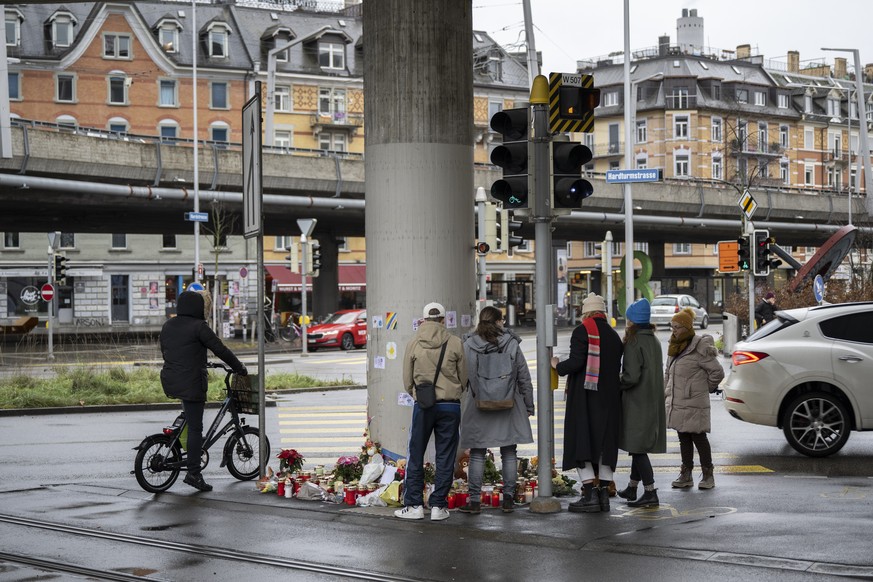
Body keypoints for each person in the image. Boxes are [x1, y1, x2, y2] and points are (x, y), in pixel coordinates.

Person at [159, 290, 248, 492]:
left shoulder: (169, 325)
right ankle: (193, 473)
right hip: (191, 382)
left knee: (189, 419)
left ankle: (180, 445)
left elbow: (171, 350)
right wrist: (239, 367)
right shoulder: (199, 327)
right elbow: (220, 349)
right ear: (198, 307)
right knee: (196, 429)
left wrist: (197, 360)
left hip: (171, 379)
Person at [550, 293, 623, 513]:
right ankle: (603, 497)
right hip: (610, 399)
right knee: (604, 446)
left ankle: (589, 494)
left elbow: (576, 362)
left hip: (586, 399)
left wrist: (556, 365)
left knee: (582, 442)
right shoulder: (613, 334)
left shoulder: (582, 331)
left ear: (586, 313)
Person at [458, 306, 534, 515]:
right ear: (499, 321)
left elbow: (462, 378)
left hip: (477, 404)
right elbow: (523, 377)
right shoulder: (511, 344)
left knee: (477, 453)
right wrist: (528, 404)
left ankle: (474, 501)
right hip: (509, 404)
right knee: (509, 451)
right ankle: (508, 499)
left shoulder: (468, 345)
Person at [396, 302, 467, 521]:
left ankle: (415, 505)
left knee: (415, 453)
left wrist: (418, 393)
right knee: (445, 455)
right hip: (450, 405)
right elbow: (463, 377)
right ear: (444, 320)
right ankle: (438, 507)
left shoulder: (414, 342)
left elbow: (407, 380)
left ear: (423, 320)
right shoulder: (455, 342)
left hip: (424, 405)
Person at [664, 307, 725, 490]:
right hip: (678, 401)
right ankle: (686, 474)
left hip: (694, 402)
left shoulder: (699, 347)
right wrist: (666, 392)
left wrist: (703, 388)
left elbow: (717, 372)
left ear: (687, 327)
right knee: (683, 437)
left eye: (677, 326)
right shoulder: (674, 346)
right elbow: (668, 373)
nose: (673, 330)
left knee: (699, 437)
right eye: (672, 326)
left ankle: (708, 475)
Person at [617, 298, 666, 508]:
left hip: (637, 402)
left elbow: (631, 376)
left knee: (637, 448)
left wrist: (616, 382)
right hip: (652, 401)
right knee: (637, 446)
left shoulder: (634, 341)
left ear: (632, 321)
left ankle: (650, 491)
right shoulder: (653, 340)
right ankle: (632, 487)